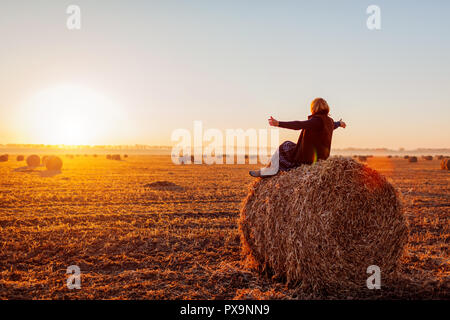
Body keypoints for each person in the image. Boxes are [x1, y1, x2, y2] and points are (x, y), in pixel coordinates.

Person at [249, 98, 346, 177]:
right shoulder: (329, 121)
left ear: (313, 108)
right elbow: (335, 124)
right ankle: (271, 169)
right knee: (290, 146)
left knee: (285, 145)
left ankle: (269, 170)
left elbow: (298, 124)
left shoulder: (316, 121)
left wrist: (278, 123)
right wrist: (340, 123)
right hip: (321, 159)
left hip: (307, 159)